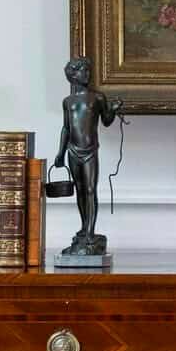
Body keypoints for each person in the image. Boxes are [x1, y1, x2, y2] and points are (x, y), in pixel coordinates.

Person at [53, 57, 122, 256]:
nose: (87, 74)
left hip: (90, 150)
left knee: (91, 189)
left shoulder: (97, 98)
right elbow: (66, 128)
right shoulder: (68, 102)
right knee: (81, 190)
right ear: (72, 76)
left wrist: (114, 110)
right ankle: (84, 229)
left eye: (88, 70)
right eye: (83, 71)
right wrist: (60, 153)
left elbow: (106, 121)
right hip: (73, 151)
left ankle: (91, 233)